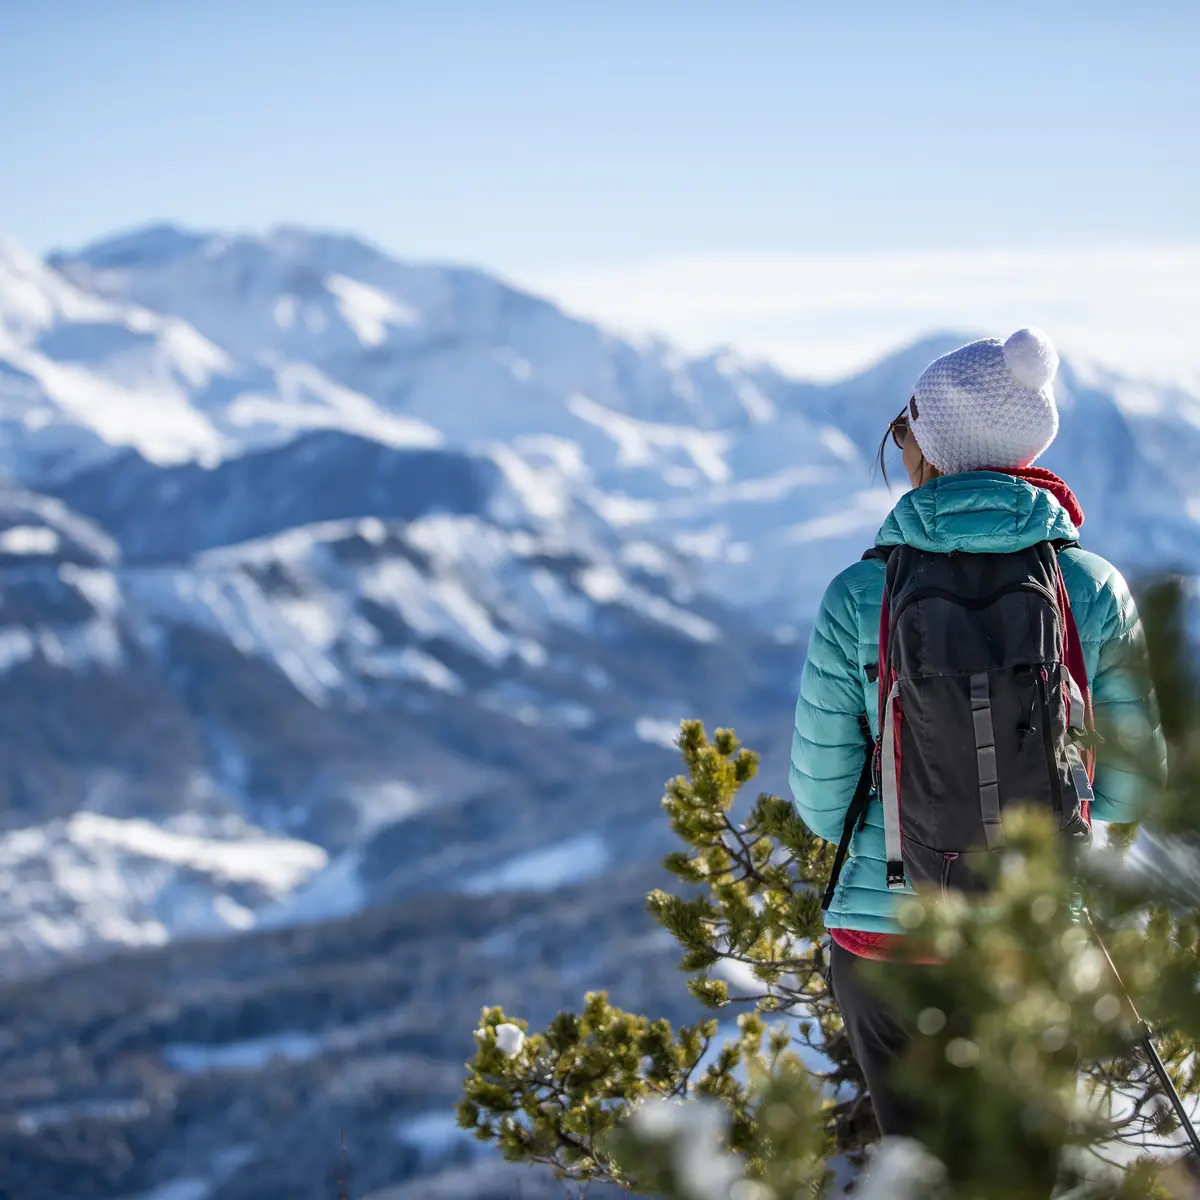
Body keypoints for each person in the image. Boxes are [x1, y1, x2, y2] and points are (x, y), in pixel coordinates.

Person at [788, 328, 1165, 1140]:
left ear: (927, 446)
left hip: (886, 937)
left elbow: (823, 803)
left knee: (920, 1172)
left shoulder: (861, 593)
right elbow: (1134, 785)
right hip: (1031, 936)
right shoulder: (1089, 586)